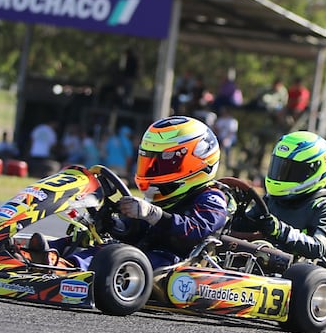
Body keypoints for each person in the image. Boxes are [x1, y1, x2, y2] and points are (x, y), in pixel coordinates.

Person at [47, 116, 228, 271]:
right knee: (91, 241)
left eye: (165, 161)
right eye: (150, 160)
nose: (154, 168)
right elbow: (133, 231)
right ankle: (42, 252)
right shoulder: (160, 198)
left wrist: (153, 214)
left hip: (174, 261)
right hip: (138, 252)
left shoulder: (212, 198)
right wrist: (110, 221)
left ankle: (70, 267)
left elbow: (195, 230)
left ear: (197, 160)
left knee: (117, 256)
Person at [242, 130, 326, 260]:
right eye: (279, 167)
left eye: (291, 171)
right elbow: (244, 228)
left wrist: (281, 231)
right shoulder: (270, 200)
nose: (281, 175)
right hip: (259, 261)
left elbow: (318, 247)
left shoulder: (324, 208)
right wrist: (237, 212)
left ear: (314, 171)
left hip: (295, 272)